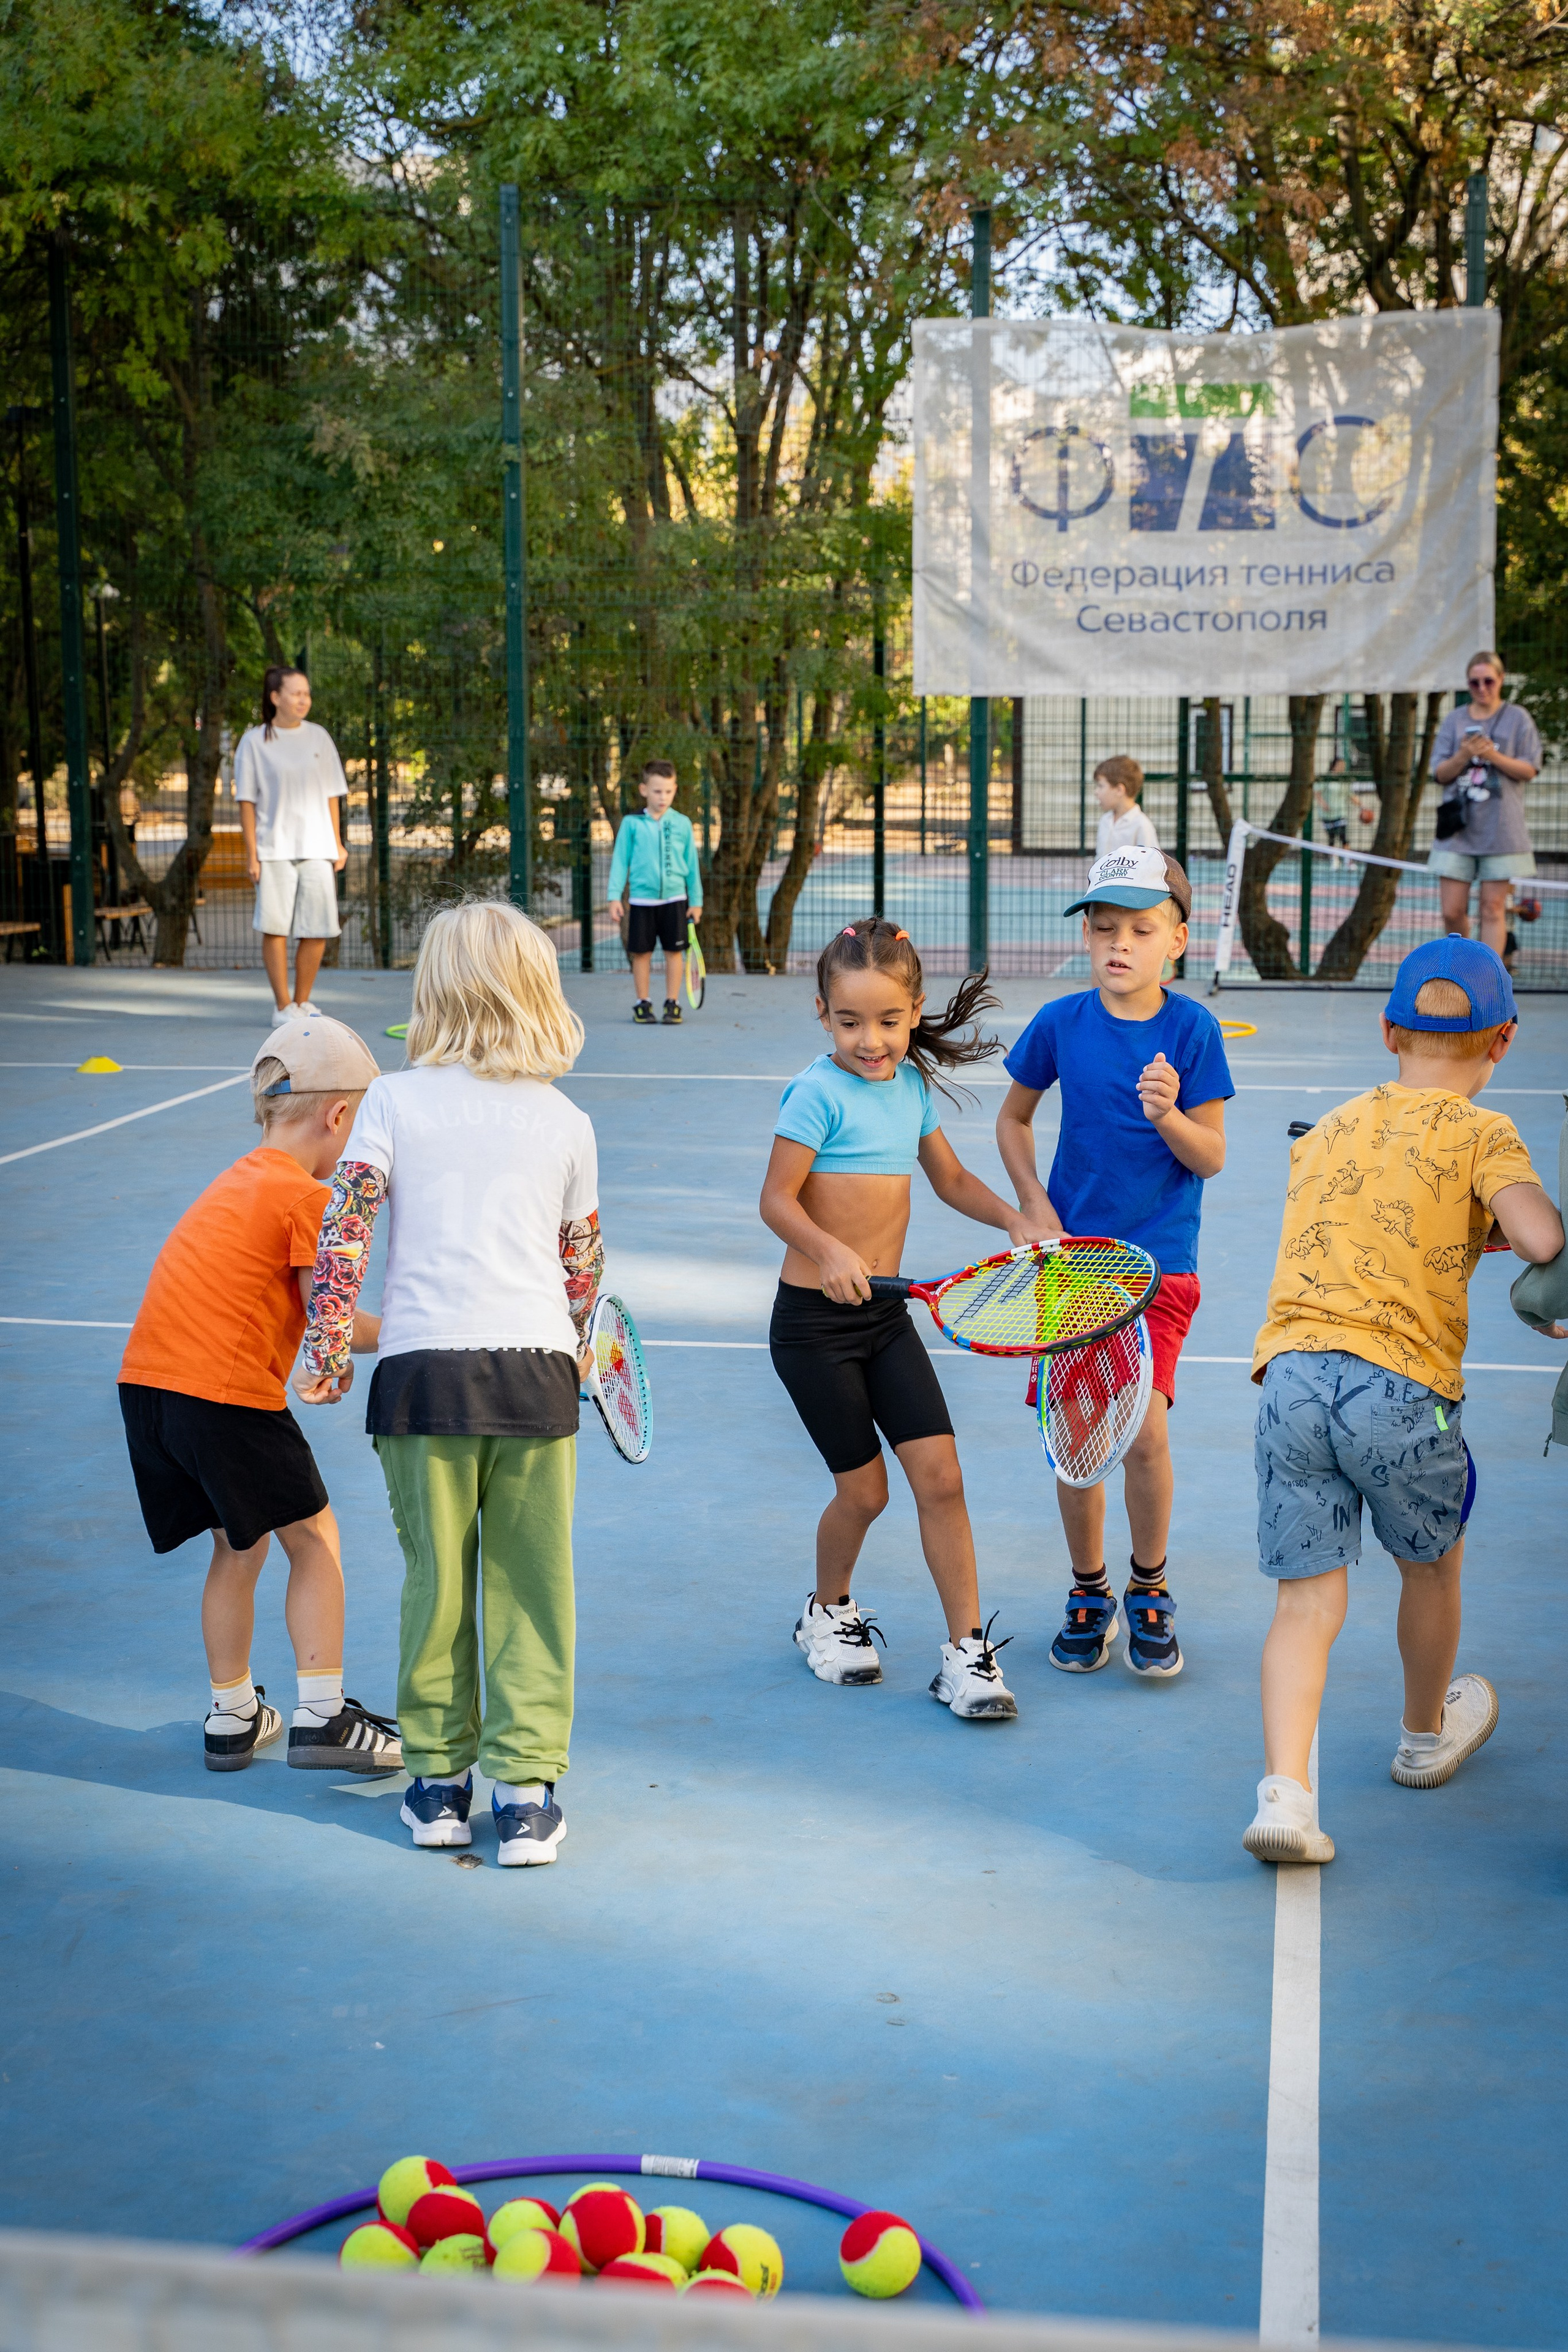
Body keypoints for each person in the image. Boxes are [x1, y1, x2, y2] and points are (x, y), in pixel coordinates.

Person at [1245, 938, 1562, 1865]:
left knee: (1304, 1602)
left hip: (1293, 1376)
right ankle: (1425, 1735)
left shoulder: (1331, 1127)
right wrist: (1509, 1219)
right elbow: (1541, 1239)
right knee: (1431, 1567)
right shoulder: (1485, 1132)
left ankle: (1286, 1795)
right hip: (1400, 1388)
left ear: (1389, 1031)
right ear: (1502, 1041)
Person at [296, 901, 600, 1865]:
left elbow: (343, 1228)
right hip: (540, 1378)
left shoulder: (391, 1101)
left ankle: (436, 1787)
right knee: (533, 1588)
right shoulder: (567, 1118)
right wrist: (588, 1340)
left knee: (436, 1586)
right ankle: (527, 1794)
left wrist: (331, 1345)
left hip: (421, 1378)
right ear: (537, 990)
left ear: (433, 989)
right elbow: (582, 1265)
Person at [760, 918, 1036, 1720]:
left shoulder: (909, 1087)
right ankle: (829, 1611)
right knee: (867, 1492)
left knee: (942, 1479)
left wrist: (1012, 1218)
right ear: (823, 1016)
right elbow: (777, 1201)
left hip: (884, 1321)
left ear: (914, 1012)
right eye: (850, 1022)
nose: (870, 1040)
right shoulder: (815, 1094)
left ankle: (967, 1655)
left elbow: (948, 1179)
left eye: (887, 1021)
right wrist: (830, 1251)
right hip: (813, 1326)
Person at [116, 1014, 400, 1776]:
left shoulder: (235, 1179)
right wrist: (417, 1325)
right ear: (339, 1116)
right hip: (223, 1393)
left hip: (147, 1390)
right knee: (314, 1537)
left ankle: (233, 1715)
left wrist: (324, 1351)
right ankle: (323, 1717)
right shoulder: (306, 1198)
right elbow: (330, 1314)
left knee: (239, 1545)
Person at [995, 846, 1232, 1681]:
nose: (1118, 944)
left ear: (1177, 938)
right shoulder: (1060, 1025)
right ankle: (1089, 1587)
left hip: (1159, 1266)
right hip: (1073, 1265)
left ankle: (1150, 1583)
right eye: (1103, 928)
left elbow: (1210, 1158)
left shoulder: (1193, 1031)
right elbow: (1013, 1121)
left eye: (1140, 928)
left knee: (1145, 1430)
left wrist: (1169, 1116)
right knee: (1077, 1438)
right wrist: (1032, 1201)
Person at [235, 667, 350, 1028]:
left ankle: (302, 1003)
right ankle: (283, 1006)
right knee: (275, 927)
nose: (304, 700)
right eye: (296, 693)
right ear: (275, 697)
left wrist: (337, 843)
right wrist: (252, 854)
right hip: (273, 850)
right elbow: (247, 802)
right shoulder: (254, 742)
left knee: (318, 928)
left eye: (307, 693)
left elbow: (333, 793)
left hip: (318, 848)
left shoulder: (319, 738)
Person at [1428, 651, 1540, 959]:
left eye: (1488, 681)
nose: (1482, 688)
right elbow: (1439, 773)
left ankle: (1488, 981)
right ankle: (1463, 967)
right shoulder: (1455, 720)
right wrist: (1464, 755)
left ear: (1501, 680)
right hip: (1457, 832)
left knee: (1492, 908)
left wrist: (1492, 755)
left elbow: (1529, 769)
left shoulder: (1518, 719)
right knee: (1452, 912)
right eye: (1474, 682)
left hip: (1502, 829)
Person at [606, 758, 703, 1026]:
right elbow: (620, 861)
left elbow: (692, 866)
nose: (664, 797)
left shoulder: (683, 823)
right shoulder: (631, 823)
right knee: (642, 953)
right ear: (644, 790)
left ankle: (673, 1003)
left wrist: (696, 900)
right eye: (658, 791)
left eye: (669, 791)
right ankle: (643, 1003)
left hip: (675, 900)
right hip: (641, 901)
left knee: (675, 953)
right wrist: (614, 896)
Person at [1092, 755, 1159, 859]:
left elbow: (1152, 864)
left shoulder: (1142, 825)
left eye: (1101, 786)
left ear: (1119, 790)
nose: (1096, 792)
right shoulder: (1105, 820)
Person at [1316, 755, 1351, 848]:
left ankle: (1348, 861)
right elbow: (1317, 793)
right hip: (1328, 814)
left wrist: (1362, 806)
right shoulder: (1327, 778)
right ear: (1334, 765)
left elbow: (1351, 795)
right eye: (1340, 765)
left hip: (1340, 813)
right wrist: (1323, 804)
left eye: (1344, 765)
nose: (1342, 768)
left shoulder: (1344, 779)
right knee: (1332, 838)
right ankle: (1334, 860)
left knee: (1343, 837)